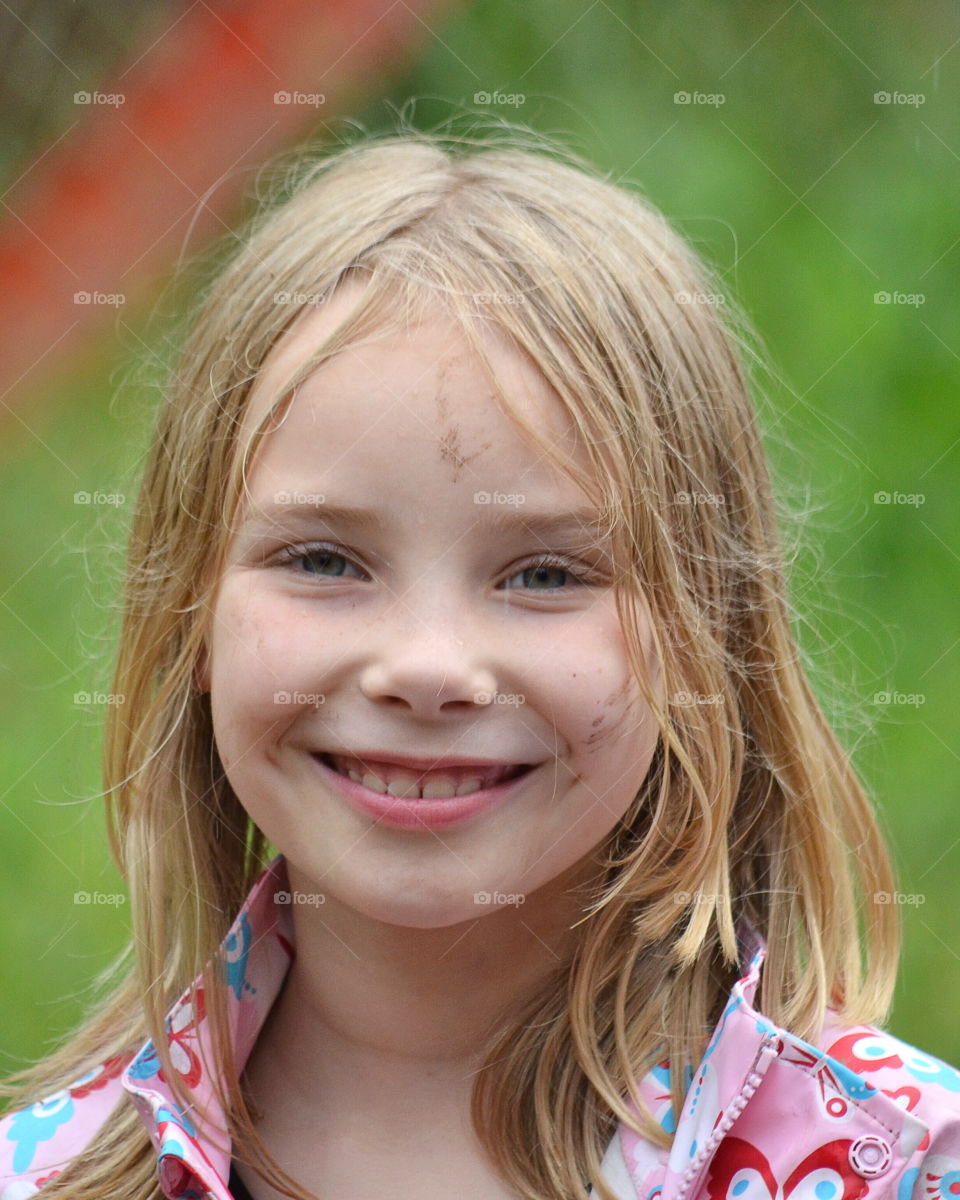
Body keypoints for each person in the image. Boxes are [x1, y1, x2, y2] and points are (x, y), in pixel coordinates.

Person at [1, 128, 958, 1200]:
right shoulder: (50, 1178)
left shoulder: (901, 1167)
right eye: (323, 559)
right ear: (191, 612)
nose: (426, 667)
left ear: (705, 636)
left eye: (545, 575)